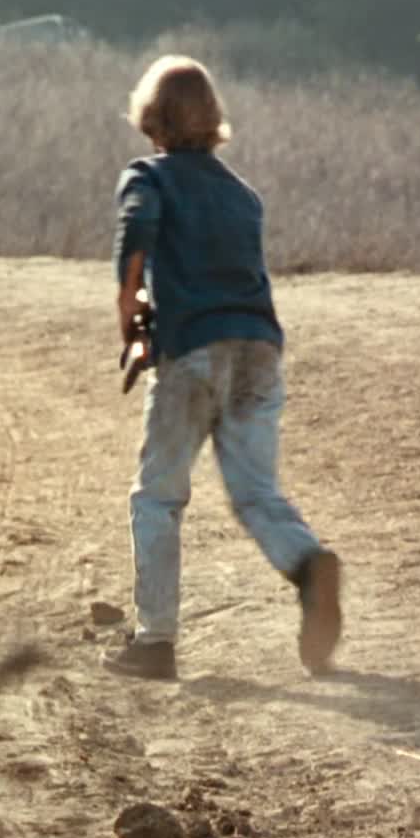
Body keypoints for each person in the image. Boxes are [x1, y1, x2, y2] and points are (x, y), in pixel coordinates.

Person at [101, 54, 342, 681]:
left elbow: (136, 239)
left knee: (158, 496)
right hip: (259, 349)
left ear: (152, 120)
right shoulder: (242, 195)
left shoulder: (147, 177)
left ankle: (155, 642)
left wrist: (131, 318)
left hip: (194, 352)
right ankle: (308, 565)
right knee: (257, 492)